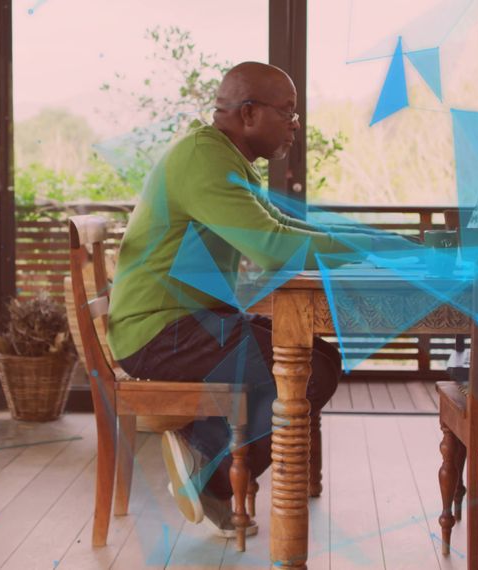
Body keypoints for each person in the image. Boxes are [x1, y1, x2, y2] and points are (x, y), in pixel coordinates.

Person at [107, 61, 414, 536]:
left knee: (316, 359)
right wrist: (372, 249)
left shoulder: (223, 156)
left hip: (184, 324)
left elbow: (281, 226)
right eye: (287, 111)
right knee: (309, 372)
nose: (295, 124)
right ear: (248, 113)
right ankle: (210, 469)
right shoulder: (204, 159)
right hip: (160, 333)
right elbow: (271, 246)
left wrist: (367, 242)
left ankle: (206, 457)